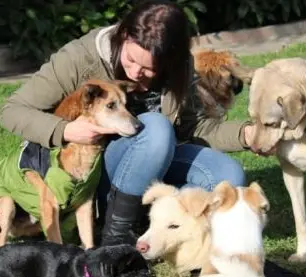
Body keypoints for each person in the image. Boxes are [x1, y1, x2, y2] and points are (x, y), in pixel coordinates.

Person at [0, 0, 253, 246]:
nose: (134, 73)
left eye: (148, 69)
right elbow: (11, 111)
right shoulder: (79, 58)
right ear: (123, 37)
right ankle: (116, 236)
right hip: (93, 170)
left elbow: (194, 128)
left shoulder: (181, 66)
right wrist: (65, 129)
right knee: (156, 129)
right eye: (130, 60)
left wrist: (247, 134)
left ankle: (153, 220)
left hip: (155, 157)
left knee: (230, 175)